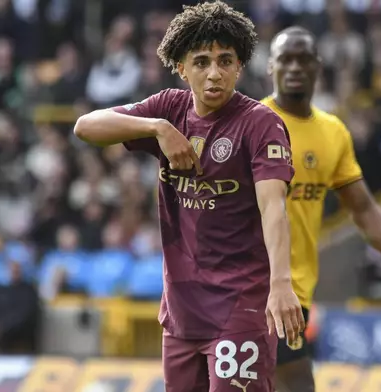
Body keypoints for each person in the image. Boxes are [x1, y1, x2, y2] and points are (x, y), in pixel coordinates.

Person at [73, 2, 305, 391]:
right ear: (181, 68)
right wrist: (157, 128)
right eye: (201, 62)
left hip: (241, 308)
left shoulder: (260, 124)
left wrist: (281, 283)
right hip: (181, 314)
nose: (214, 73)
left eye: (225, 61)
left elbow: (273, 206)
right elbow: (85, 126)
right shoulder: (168, 109)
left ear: (239, 66)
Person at [261, 26, 381, 392]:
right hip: (251, 287)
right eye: (285, 59)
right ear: (270, 67)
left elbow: (364, 210)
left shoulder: (333, 133)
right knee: (294, 382)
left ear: (318, 66)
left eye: (303, 59)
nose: (294, 67)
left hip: (297, 292)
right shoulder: (251, 124)